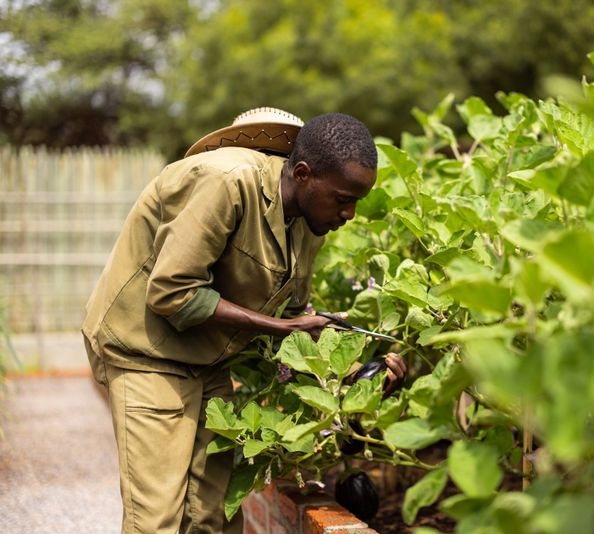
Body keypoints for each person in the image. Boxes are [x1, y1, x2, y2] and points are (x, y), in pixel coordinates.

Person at [82, 108, 406, 533]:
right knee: (157, 517)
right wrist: (280, 327)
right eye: (344, 200)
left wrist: (357, 375)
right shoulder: (224, 181)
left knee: (213, 516)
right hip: (145, 350)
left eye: (356, 203)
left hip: (209, 357)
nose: (349, 215)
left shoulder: (310, 223)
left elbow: (293, 316)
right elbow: (172, 292)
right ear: (303, 174)